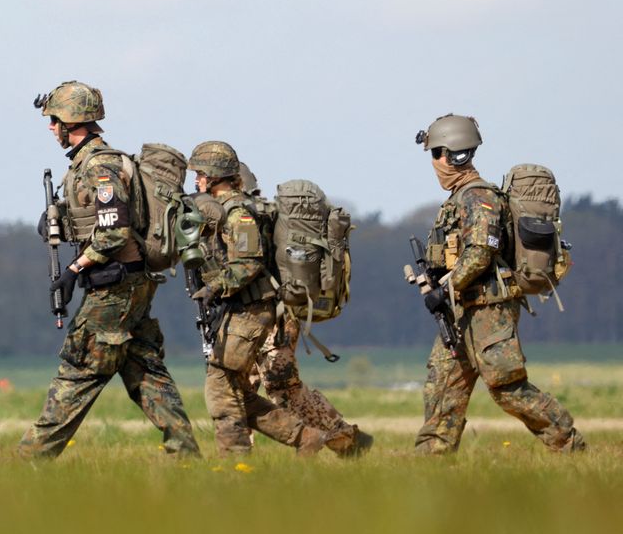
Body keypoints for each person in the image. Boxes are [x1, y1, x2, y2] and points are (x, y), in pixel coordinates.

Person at [19, 81, 201, 458]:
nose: (52, 128)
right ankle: (185, 456)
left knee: (78, 367)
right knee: (145, 372)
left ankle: (29, 460)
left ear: (72, 120)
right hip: (129, 284)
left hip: (115, 287)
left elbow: (114, 232)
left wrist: (74, 268)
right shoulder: (87, 164)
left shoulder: (99, 166)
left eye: (55, 120)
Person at [412, 114, 584, 454]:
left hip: (489, 310)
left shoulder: (478, 197)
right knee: (442, 383)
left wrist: (444, 290)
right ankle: (431, 459)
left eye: (436, 154)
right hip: (462, 309)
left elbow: (480, 253)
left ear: (453, 155)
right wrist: (436, 280)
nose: (434, 164)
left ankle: (568, 442)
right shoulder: (459, 198)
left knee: (506, 386)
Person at [187, 142, 330, 456]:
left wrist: (215, 287)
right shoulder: (219, 209)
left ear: (213, 176)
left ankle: (236, 467)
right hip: (237, 309)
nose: (196, 180)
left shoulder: (237, 212)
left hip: (250, 309)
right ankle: (305, 437)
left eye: (199, 173)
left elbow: (249, 261)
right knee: (236, 390)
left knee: (220, 388)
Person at [238, 163, 374, 457]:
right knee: (242, 387)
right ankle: (239, 453)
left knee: (282, 389)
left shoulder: (249, 217)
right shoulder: (262, 215)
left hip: (275, 317)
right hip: (267, 315)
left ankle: (345, 438)